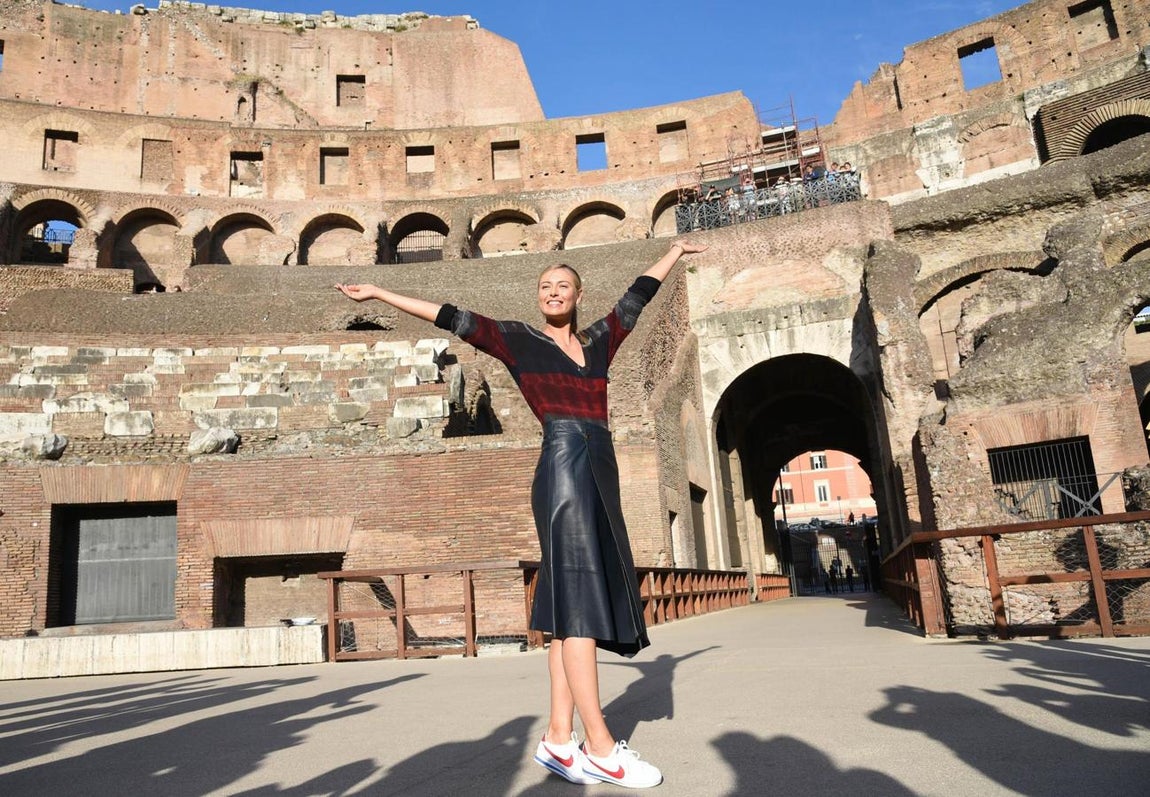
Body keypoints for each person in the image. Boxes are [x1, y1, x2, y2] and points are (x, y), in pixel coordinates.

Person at [336, 239, 708, 789]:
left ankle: (559, 740)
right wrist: (379, 292)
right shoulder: (518, 340)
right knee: (580, 606)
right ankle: (601, 749)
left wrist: (675, 251)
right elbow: (451, 317)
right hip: (562, 465)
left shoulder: (601, 340)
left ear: (578, 295)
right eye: (544, 287)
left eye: (562, 285)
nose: (553, 292)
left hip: (599, 465)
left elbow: (639, 296)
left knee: (567, 615)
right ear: (538, 299)